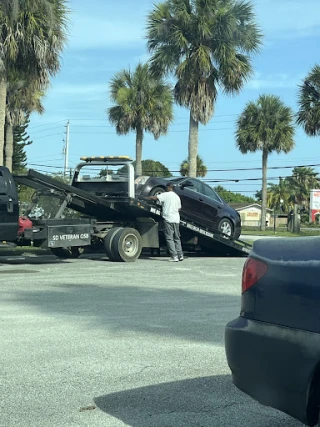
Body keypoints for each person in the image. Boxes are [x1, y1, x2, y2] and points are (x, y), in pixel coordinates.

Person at [144, 182, 184, 262]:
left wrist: (145, 198)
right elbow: (179, 208)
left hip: (168, 218)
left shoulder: (166, 195)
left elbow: (155, 198)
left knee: (169, 238)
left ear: (170, 187)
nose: (166, 188)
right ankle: (180, 255)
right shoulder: (177, 197)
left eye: (167, 187)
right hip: (176, 219)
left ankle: (174, 256)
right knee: (176, 238)